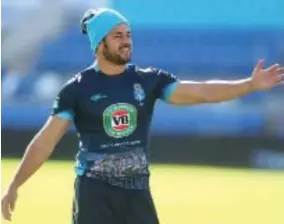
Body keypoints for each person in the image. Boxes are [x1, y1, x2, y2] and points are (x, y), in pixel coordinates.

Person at [1, 8, 283, 224]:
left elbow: (200, 92)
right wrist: (14, 185)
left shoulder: (148, 81)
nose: (126, 42)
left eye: (128, 35)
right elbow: (45, 142)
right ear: (100, 44)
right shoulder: (77, 89)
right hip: (94, 193)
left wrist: (248, 84)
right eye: (117, 36)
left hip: (136, 191)